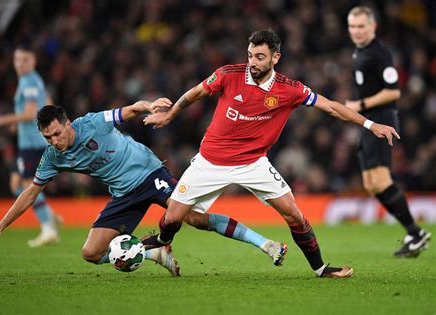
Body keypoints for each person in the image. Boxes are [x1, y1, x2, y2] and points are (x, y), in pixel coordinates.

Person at [143, 29, 401, 278]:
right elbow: (195, 93)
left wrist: (370, 125)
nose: (252, 63)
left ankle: (321, 269)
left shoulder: (290, 89)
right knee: (173, 217)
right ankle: (163, 242)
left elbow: (332, 107)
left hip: (254, 163)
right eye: (250, 56)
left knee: (294, 214)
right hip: (210, 161)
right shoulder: (228, 75)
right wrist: (170, 115)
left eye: (260, 57)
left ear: (275, 57)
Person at [0, 99, 289, 276]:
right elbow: (30, 192)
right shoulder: (52, 157)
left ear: (67, 124)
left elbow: (128, 111)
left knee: (194, 219)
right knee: (90, 253)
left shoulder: (92, 122)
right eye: (48, 138)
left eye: (56, 133)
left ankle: (267, 245)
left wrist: (149, 106)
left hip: (151, 174)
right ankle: (154, 254)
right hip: (123, 195)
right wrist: (1, 225)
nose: (55, 141)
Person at [345, 6, 431, 257]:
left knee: (381, 180)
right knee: (371, 184)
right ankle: (413, 233)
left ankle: (415, 233)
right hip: (368, 121)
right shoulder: (359, 53)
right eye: (353, 26)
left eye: (361, 26)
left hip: (381, 120)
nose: (357, 31)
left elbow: (393, 91)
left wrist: (359, 105)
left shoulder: (380, 53)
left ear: (372, 27)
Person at [0, 46, 61, 248]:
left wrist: (2, 120)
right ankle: (50, 217)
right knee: (17, 183)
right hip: (30, 142)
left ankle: (48, 227)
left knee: (27, 185)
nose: (20, 63)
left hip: (32, 143)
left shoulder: (29, 82)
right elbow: (48, 104)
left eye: (25, 59)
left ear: (34, 61)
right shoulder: (36, 79)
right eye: (17, 59)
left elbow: (29, 113)